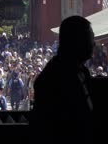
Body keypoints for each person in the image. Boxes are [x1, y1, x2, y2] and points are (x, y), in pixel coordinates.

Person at [30, 15, 95, 144]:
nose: (94, 43)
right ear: (77, 41)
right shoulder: (53, 79)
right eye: (90, 38)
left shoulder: (82, 71)